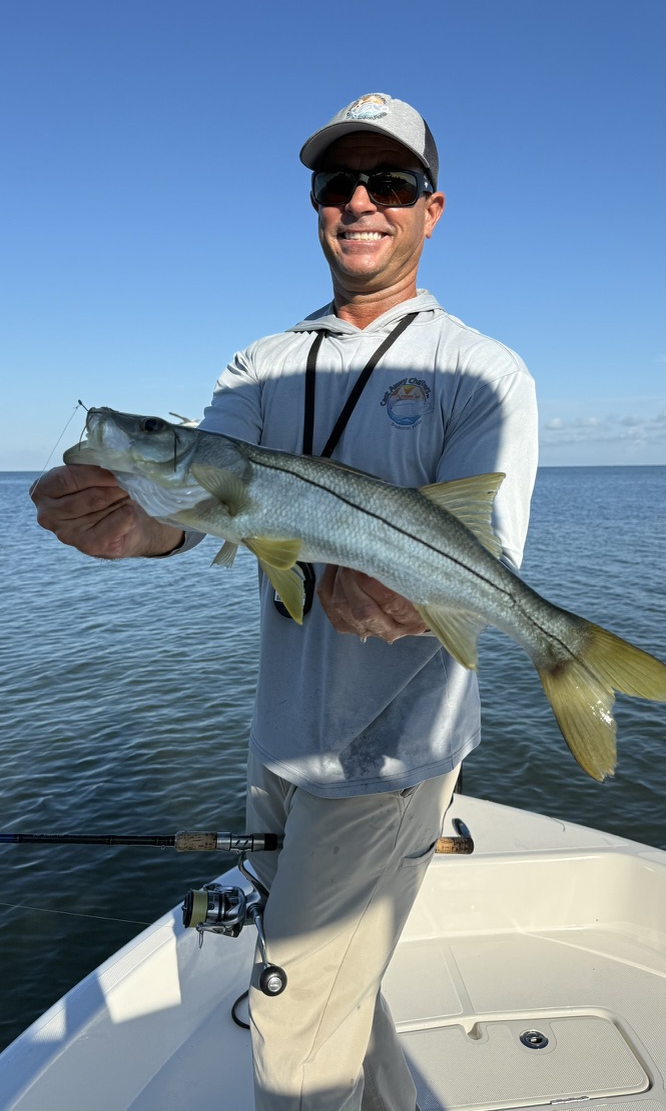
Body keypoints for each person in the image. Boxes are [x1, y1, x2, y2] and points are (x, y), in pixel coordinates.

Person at [32, 92, 538, 1110]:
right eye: (336, 182)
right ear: (315, 204)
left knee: (294, 1027)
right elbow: (203, 508)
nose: (360, 201)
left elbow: (481, 565)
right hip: (279, 742)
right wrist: (141, 527)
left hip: (394, 757)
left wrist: (409, 599)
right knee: (340, 999)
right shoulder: (258, 365)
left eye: (388, 182)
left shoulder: (484, 372)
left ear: (430, 209)